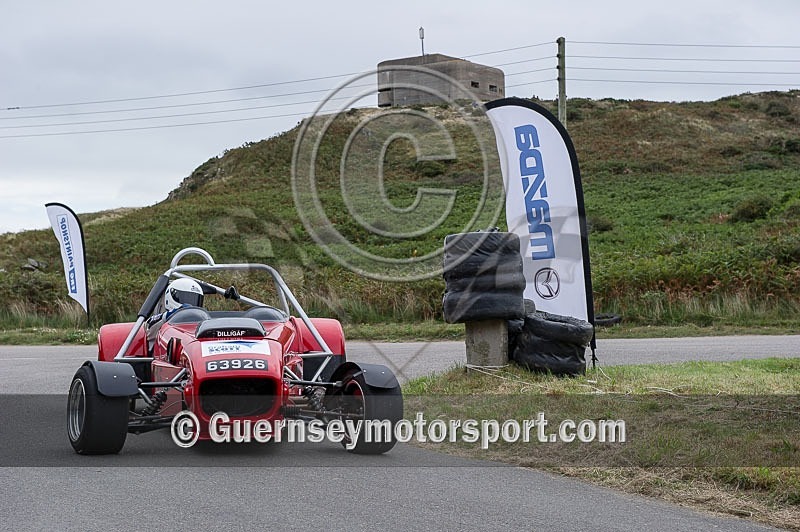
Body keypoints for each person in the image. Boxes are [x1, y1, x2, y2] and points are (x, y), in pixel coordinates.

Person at [146, 278, 204, 354]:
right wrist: (175, 312)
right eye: (186, 298)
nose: (191, 304)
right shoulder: (157, 320)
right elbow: (148, 328)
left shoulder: (203, 323)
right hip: (162, 358)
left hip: (191, 354)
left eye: (194, 299)